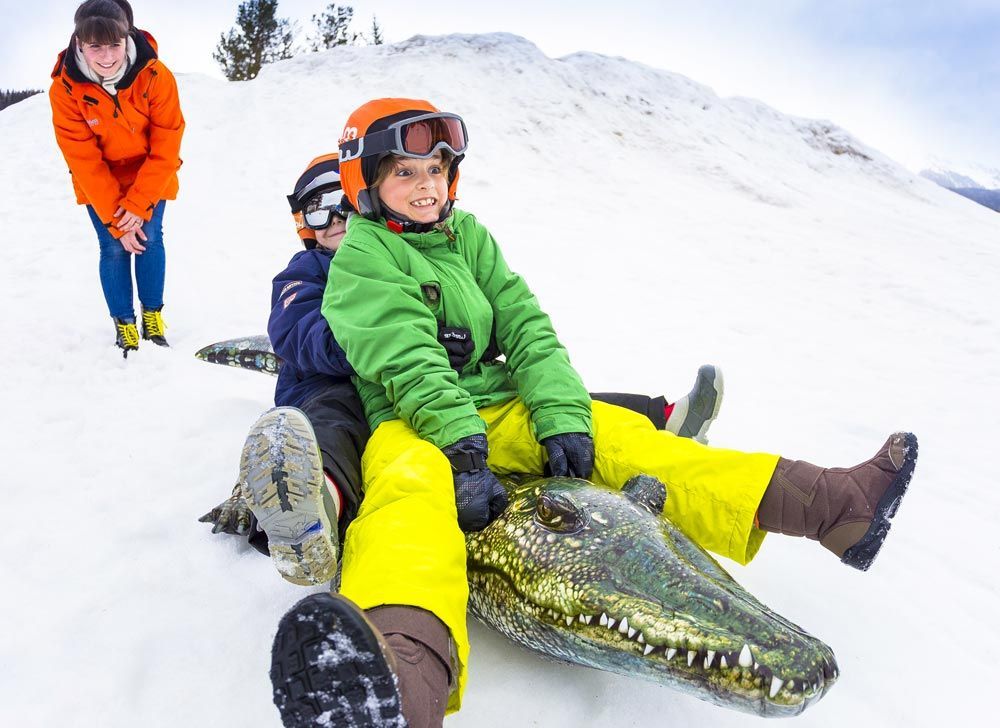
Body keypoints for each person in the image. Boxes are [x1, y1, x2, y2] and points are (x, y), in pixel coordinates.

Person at [265, 98, 918, 728]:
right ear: (366, 184)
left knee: (625, 437)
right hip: (412, 420)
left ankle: (833, 505)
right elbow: (405, 356)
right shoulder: (362, 257)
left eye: (436, 169)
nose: (427, 184)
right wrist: (462, 449)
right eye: (405, 172)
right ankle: (398, 681)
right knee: (409, 506)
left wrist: (561, 416)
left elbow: (526, 326)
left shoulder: (469, 237)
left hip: (494, 404)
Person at [200, 154, 726, 584]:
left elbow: (496, 316)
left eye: (342, 204)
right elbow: (295, 334)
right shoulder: (305, 272)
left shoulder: (414, 249)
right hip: (336, 387)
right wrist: (388, 336)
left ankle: (659, 417)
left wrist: (465, 336)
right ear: (303, 225)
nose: (336, 220)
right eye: (320, 212)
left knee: (529, 395)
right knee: (337, 431)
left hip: (431, 383)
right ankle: (312, 511)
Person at [49, 0, 184, 357]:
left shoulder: (156, 75)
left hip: (150, 173)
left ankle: (152, 317)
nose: (106, 56)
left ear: (127, 38)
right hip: (100, 180)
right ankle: (124, 323)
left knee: (150, 239)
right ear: (79, 42)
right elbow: (83, 159)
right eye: (95, 46)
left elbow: (167, 143)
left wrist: (139, 205)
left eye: (114, 44)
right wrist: (117, 219)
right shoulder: (64, 90)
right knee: (113, 246)